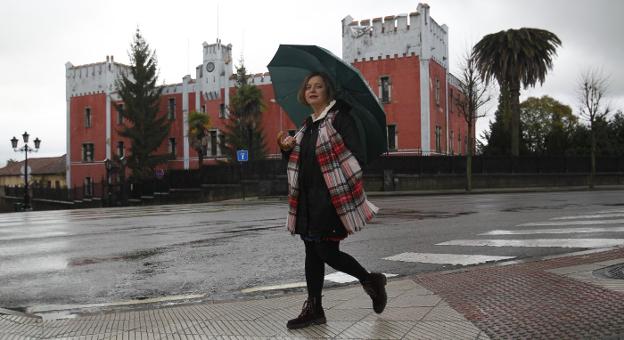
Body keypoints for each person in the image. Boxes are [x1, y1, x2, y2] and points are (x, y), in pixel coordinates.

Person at [277, 72, 387, 330]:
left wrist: (332, 185)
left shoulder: (340, 119)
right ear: (304, 94)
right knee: (311, 253)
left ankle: (370, 280)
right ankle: (315, 309)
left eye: (319, 86)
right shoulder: (307, 125)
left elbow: (356, 157)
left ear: (328, 92)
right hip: (305, 199)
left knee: (326, 251)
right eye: (308, 87)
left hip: (331, 198)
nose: (312, 90)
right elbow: (300, 162)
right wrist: (287, 149)